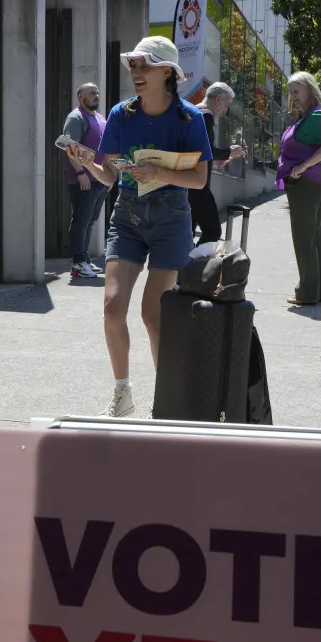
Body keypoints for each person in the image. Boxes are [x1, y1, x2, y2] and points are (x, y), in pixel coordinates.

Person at [67, 36, 212, 418]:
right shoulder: (120, 114)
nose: (136, 72)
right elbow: (110, 176)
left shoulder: (189, 118)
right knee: (113, 308)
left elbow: (199, 179)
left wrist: (158, 172)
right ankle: (122, 393)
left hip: (171, 216)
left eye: (143, 65)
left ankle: (167, 401)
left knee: (153, 313)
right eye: (133, 65)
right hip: (128, 214)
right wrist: (83, 160)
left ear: (167, 72)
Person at [277, 71, 321, 307]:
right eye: (290, 92)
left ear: (310, 90)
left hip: (306, 186)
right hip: (312, 185)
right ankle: (317, 292)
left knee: (305, 240)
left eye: (296, 91)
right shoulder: (310, 116)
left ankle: (306, 293)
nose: (292, 96)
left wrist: (304, 166)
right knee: (314, 240)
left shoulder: (315, 115)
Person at [190, 81, 247, 245]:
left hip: (186, 183)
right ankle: (197, 265)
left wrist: (214, 161)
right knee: (213, 231)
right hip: (198, 186)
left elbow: (196, 152)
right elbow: (206, 150)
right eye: (227, 104)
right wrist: (230, 152)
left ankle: (186, 268)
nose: (226, 110)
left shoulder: (192, 111)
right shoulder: (206, 115)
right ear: (219, 98)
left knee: (187, 234)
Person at [62, 82, 109, 278]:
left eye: (97, 93)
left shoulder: (100, 117)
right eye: (91, 94)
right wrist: (81, 173)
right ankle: (78, 263)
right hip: (83, 178)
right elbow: (69, 147)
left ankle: (85, 259)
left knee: (90, 220)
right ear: (81, 97)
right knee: (81, 220)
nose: (96, 96)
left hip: (100, 178)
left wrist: (109, 175)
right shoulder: (76, 118)